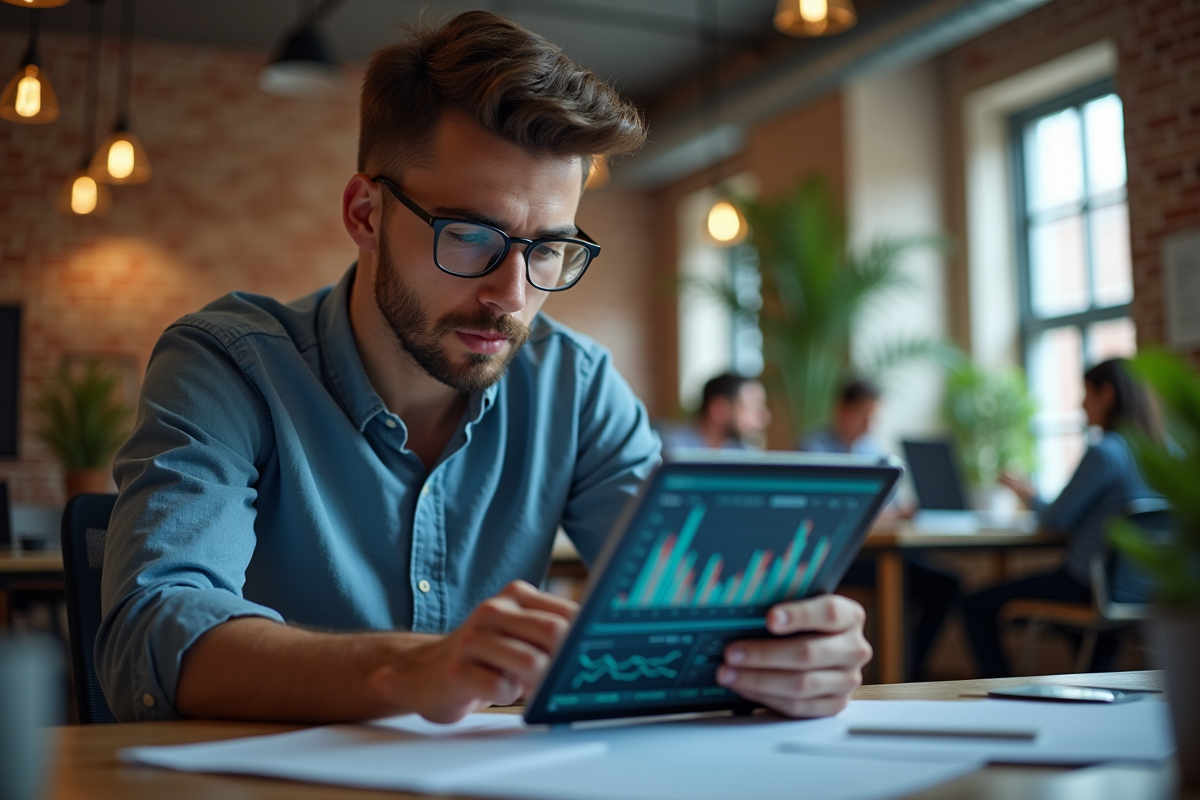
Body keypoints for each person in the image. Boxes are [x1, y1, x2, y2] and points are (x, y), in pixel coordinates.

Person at [96, 12, 871, 724]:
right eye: (470, 236)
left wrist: (789, 648)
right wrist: (405, 671)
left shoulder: (575, 384)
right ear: (366, 214)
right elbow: (154, 626)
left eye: (549, 249)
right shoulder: (229, 365)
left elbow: (689, 602)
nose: (512, 295)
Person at [963, 358, 1162, 678]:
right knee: (1082, 625)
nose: (1081, 403)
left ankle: (1004, 694)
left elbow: (1055, 519)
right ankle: (1092, 680)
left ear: (1106, 395)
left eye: (1087, 393)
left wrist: (1026, 492)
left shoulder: (1106, 451)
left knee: (975, 605)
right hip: (1147, 590)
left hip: (1092, 586)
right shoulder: (1168, 454)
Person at [801, 377, 961, 682]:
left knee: (944, 583)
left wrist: (905, 511)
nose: (870, 424)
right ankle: (893, 675)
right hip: (839, 561)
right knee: (903, 578)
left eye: (875, 416)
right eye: (865, 415)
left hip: (881, 553)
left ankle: (910, 670)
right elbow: (827, 511)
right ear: (844, 411)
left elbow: (892, 505)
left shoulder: (873, 450)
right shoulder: (814, 447)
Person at [656, 372, 771, 451]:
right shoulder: (670, 451)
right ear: (719, 409)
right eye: (752, 407)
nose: (765, 417)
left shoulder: (739, 454)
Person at [800, 377, 887, 457]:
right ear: (844, 411)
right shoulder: (812, 448)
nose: (868, 427)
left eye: (873, 420)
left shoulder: (870, 449)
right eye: (864, 419)